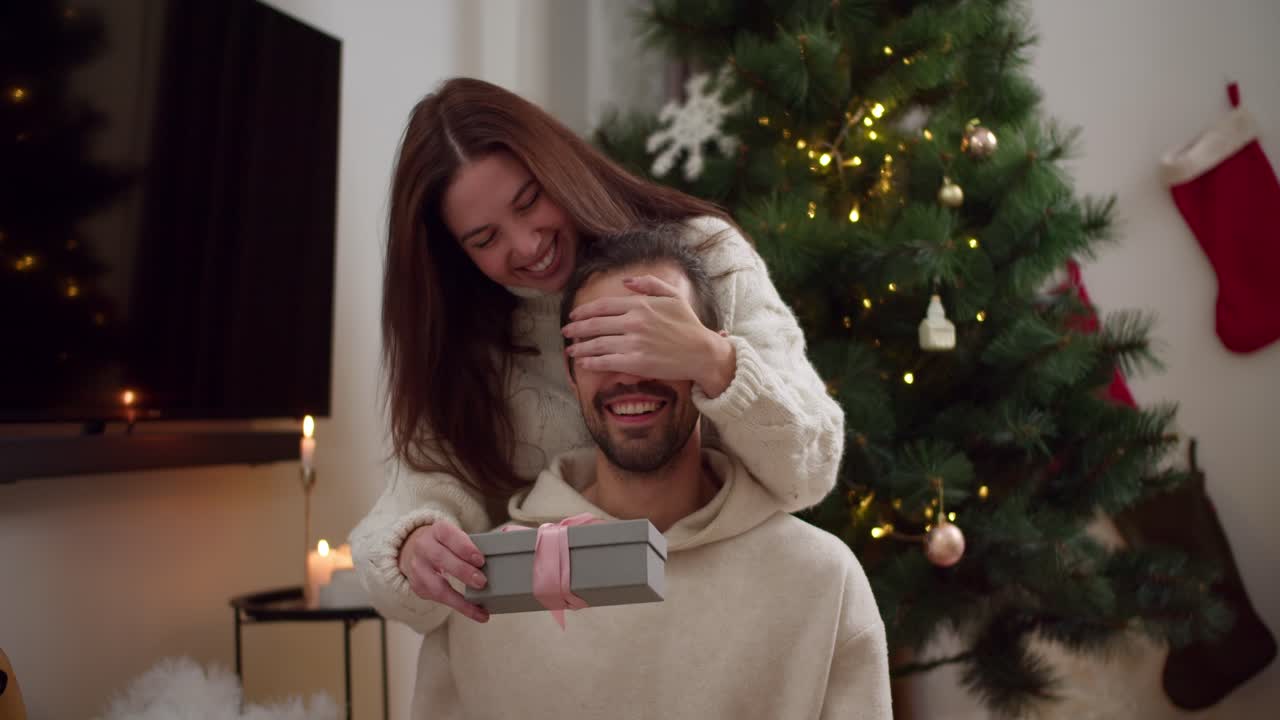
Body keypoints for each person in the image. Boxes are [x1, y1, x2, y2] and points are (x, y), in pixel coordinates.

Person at [351, 77, 846, 628]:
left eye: (529, 201)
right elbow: (411, 508)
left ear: (557, 167)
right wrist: (414, 543)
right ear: (455, 252)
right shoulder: (465, 337)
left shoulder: (706, 257)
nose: (528, 245)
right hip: (558, 654)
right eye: (486, 239)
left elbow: (811, 471)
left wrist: (714, 361)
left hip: (724, 620)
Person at [411, 227, 891, 719]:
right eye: (600, 343)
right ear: (571, 373)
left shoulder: (820, 579)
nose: (629, 372)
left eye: (657, 339)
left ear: (710, 356)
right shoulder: (487, 586)